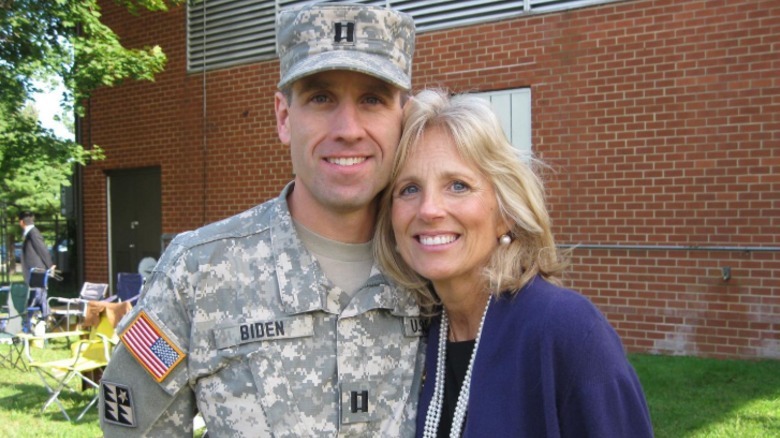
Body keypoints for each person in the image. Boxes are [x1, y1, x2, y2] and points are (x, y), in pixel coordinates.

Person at [99, 3, 424, 436]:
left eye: (372, 99)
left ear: (402, 118)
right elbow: (131, 424)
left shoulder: (433, 269)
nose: (348, 127)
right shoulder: (196, 272)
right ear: (284, 117)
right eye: (321, 97)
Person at [375, 89, 654, 437]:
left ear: (505, 213)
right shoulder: (413, 333)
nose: (429, 209)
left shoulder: (568, 332)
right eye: (409, 189)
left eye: (458, 186)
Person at [18, 211, 54, 324]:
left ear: (22, 222)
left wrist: (50, 265)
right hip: (33, 271)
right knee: (37, 295)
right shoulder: (29, 233)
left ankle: (40, 318)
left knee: (37, 295)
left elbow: (42, 249)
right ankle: (43, 317)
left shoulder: (33, 233)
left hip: (37, 271)